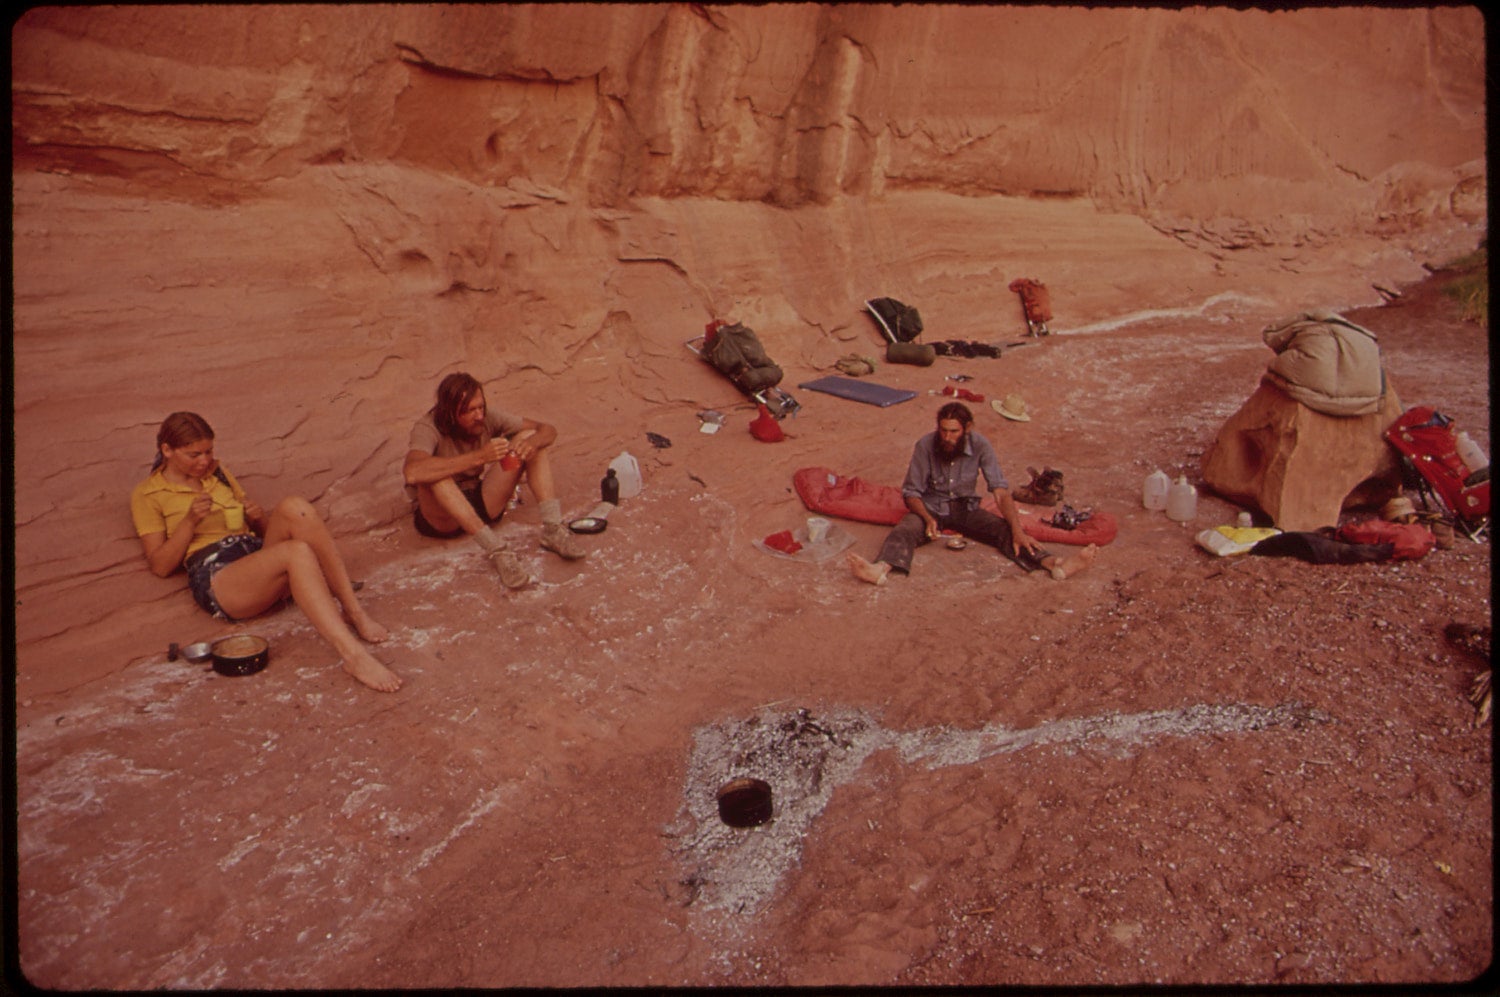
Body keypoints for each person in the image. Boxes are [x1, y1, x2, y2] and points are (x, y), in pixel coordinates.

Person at [130, 412, 402, 693]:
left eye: (209, 451)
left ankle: (354, 612)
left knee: (296, 507)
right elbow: (160, 566)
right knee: (295, 552)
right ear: (167, 450)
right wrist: (189, 522)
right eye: (193, 454)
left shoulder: (217, 473)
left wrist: (258, 518)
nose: (204, 461)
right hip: (219, 577)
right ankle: (353, 656)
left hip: (252, 555)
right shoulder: (148, 494)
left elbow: (262, 534)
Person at [846, 402, 1097, 586]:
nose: (947, 437)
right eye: (943, 430)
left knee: (1006, 531)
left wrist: (1018, 530)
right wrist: (928, 517)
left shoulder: (981, 445)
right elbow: (911, 492)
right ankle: (879, 569)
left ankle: (1056, 565)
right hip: (931, 507)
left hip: (965, 508)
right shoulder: (925, 445)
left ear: (967, 428)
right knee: (905, 529)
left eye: (953, 431)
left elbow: (1000, 492)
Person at [402, 371, 585, 589]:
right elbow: (412, 472)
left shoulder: (487, 417)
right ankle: (498, 551)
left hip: (480, 502)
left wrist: (532, 443)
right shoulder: (428, 427)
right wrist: (479, 457)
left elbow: (546, 430)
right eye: (470, 411)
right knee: (434, 475)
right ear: (450, 413)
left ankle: (553, 528)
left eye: (481, 407)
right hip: (443, 519)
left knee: (528, 439)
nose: (479, 415)